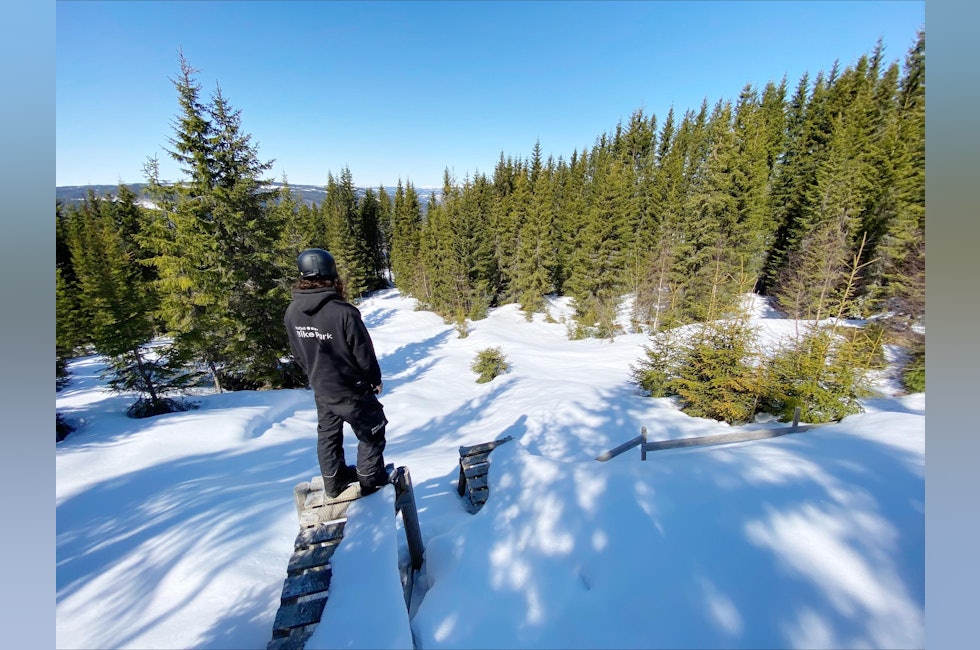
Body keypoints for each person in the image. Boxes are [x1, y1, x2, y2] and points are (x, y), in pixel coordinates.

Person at [284, 248, 390, 498]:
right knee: (372, 431)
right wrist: (374, 380)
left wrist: (314, 374)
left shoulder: (292, 312)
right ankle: (370, 480)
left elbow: (297, 353)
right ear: (332, 275)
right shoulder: (344, 312)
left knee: (328, 437)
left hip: (322, 389)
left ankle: (334, 482)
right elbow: (363, 353)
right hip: (352, 390)